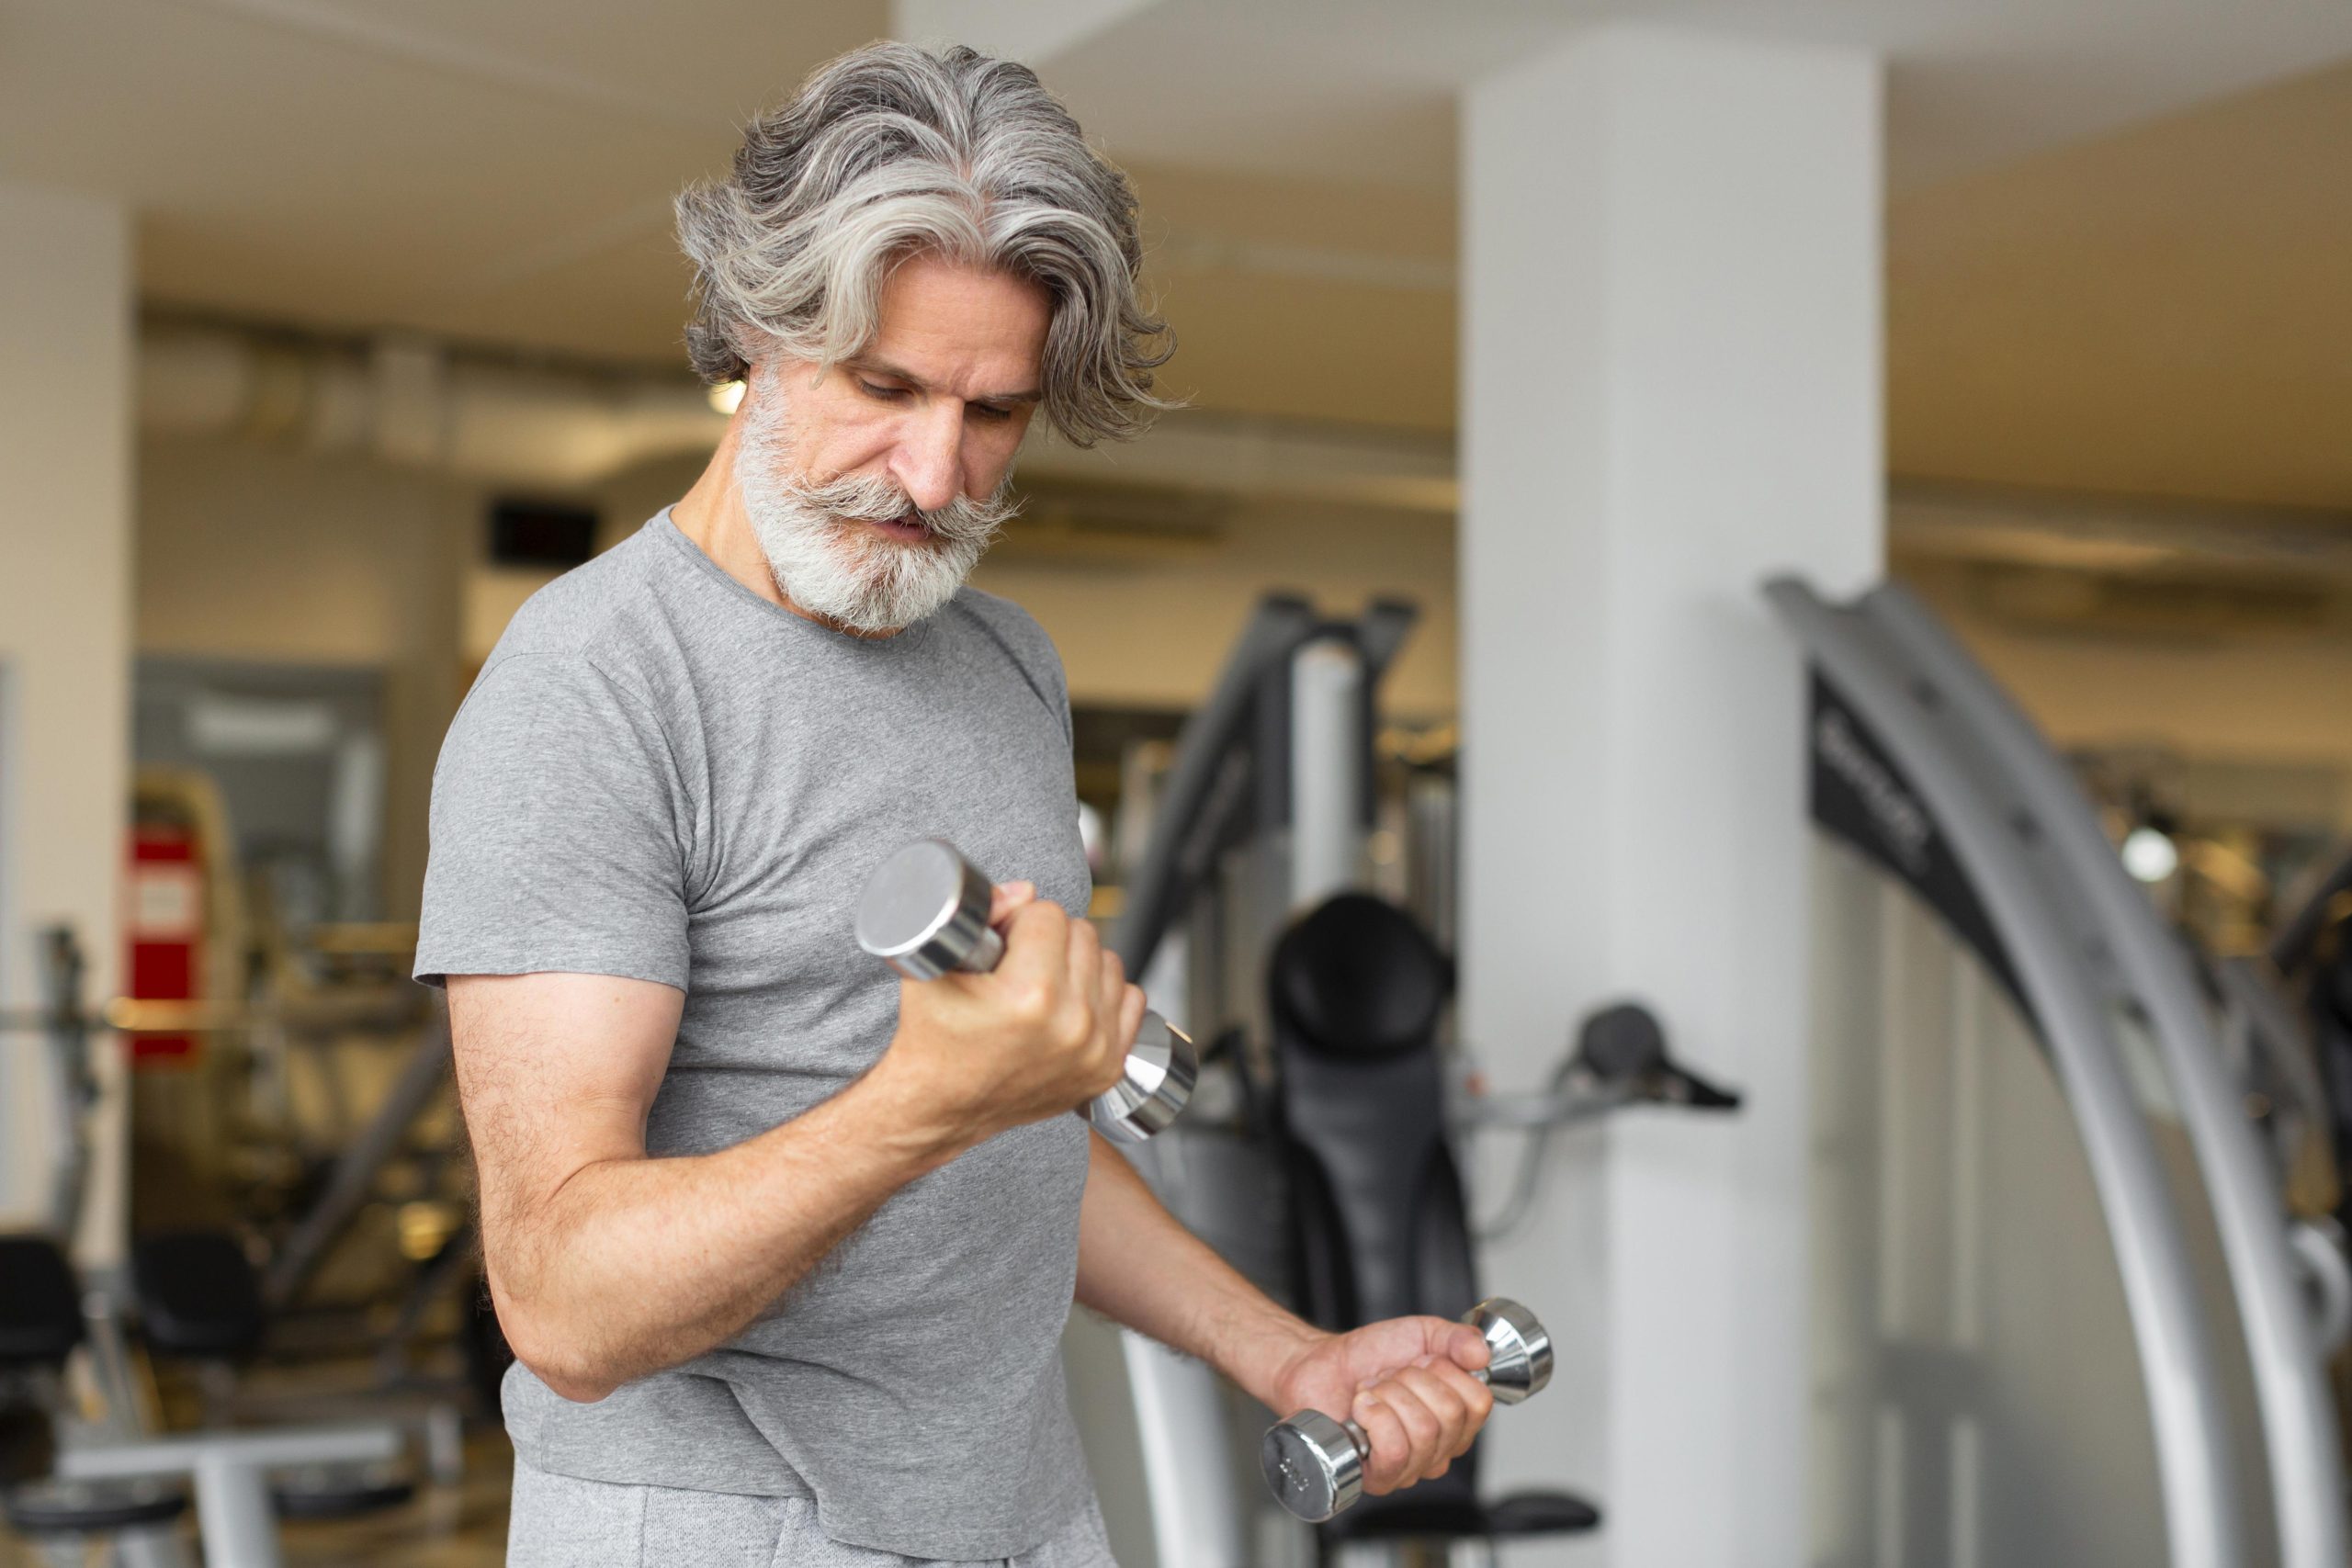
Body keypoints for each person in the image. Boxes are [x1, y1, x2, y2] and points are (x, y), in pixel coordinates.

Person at [416, 40, 1498, 1567]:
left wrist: (1281, 1350)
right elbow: (564, 1306)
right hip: (724, 1526)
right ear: (756, 328)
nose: (936, 473)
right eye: (886, 387)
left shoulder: (1002, 662)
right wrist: (921, 1100)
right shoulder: (594, 683)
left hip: (1022, 1509)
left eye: (995, 412)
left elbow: (1021, 1146)